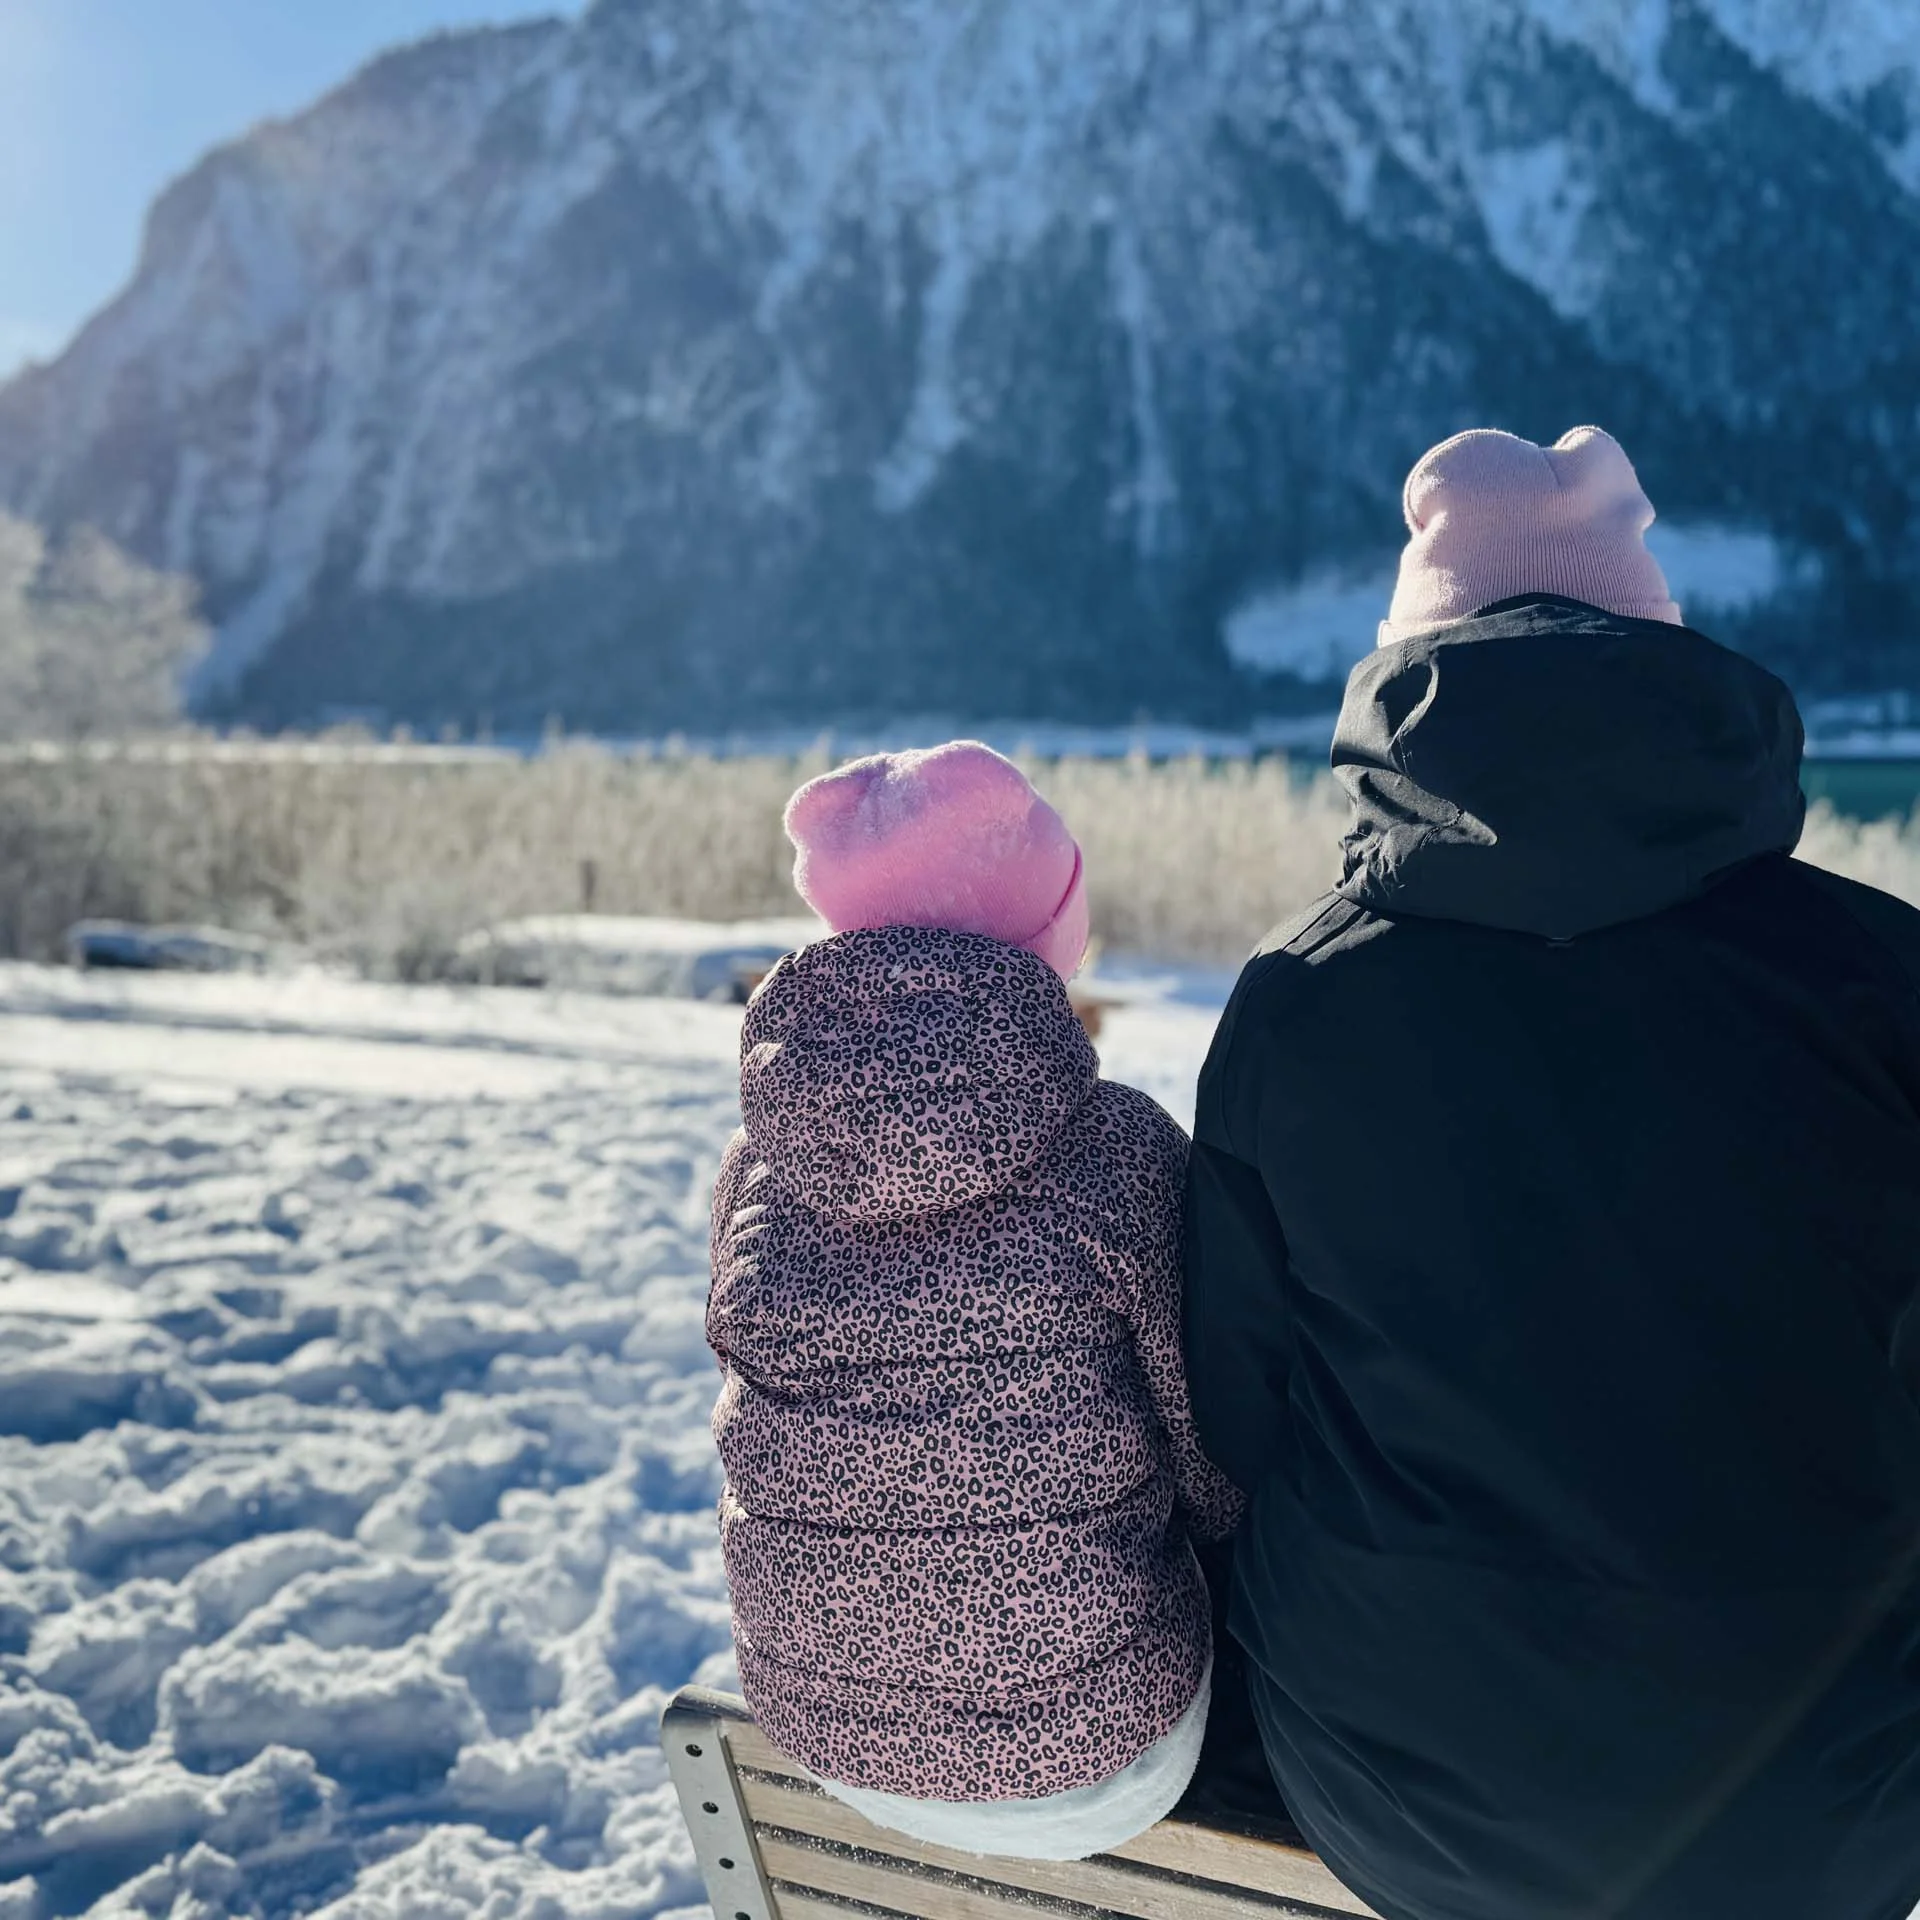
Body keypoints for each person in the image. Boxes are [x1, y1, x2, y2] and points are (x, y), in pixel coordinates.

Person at [1182, 426, 1920, 1920]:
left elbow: (1238, 1404)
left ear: (1404, 687)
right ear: (1672, 666)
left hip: (1408, 1803)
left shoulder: (1301, 1002)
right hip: (1841, 1800)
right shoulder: (1880, 978)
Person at [707, 740, 1243, 1860]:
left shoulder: (761, 1165)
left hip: (831, 1742)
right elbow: (1213, 1456)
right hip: (1107, 1761)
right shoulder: (1122, 1154)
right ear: (1048, 936)